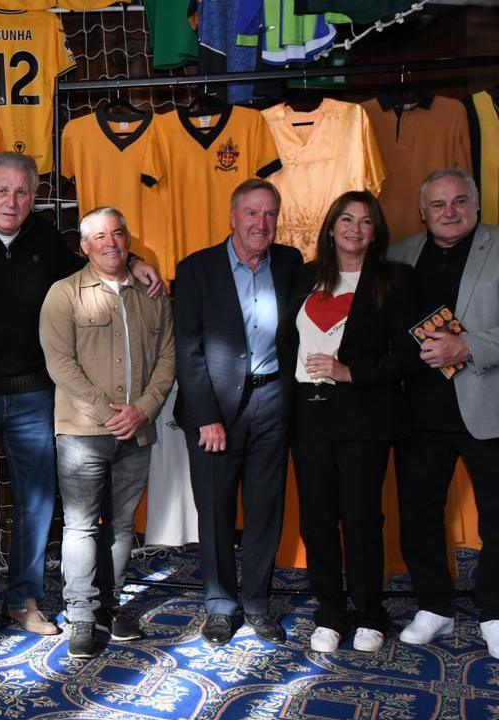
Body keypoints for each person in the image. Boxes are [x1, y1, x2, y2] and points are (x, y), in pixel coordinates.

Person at [0, 152, 161, 650]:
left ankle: (24, 600)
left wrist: (136, 262)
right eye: (3, 190)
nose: (12, 200)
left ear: (34, 197)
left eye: (22, 192)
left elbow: (95, 260)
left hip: (34, 396)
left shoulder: (47, 239)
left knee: (37, 505)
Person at [283, 191, 419, 654]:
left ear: (376, 231)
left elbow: (408, 355)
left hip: (364, 415)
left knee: (361, 519)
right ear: (331, 226)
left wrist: (351, 372)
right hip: (308, 415)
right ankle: (329, 613)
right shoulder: (304, 276)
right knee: (318, 519)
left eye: (365, 221)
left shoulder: (394, 280)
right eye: (346, 219)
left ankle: (370, 614)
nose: (355, 229)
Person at [37, 206, 175, 658]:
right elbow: (60, 364)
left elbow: (167, 358)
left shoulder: (152, 293)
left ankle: (109, 608)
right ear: (84, 246)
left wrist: (144, 410)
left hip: (137, 431)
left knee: (120, 526)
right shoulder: (63, 294)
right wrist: (108, 412)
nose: (111, 242)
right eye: (100, 237)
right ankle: (80, 614)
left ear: (128, 239)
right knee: (79, 526)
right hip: (81, 433)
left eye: (118, 233)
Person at [172, 178, 302, 646]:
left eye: (269, 214)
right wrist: (206, 415)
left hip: (273, 401)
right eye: (251, 213)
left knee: (266, 507)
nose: (260, 223)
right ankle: (221, 604)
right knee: (215, 509)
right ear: (232, 217)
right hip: (213, 410)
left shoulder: (290, 263)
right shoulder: (195, 270)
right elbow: (187, 349)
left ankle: (258, 603)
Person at [387, 169, 499, 656]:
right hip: (418, 412)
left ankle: (495, 609)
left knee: (496, 518)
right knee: (419, 514)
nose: (449, 212)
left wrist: (468, 346)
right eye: (438, 204)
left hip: (487, 409)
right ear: (422, 211)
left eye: (459, 202)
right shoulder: (401, 254)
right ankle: (435, 605)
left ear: (475, 204)